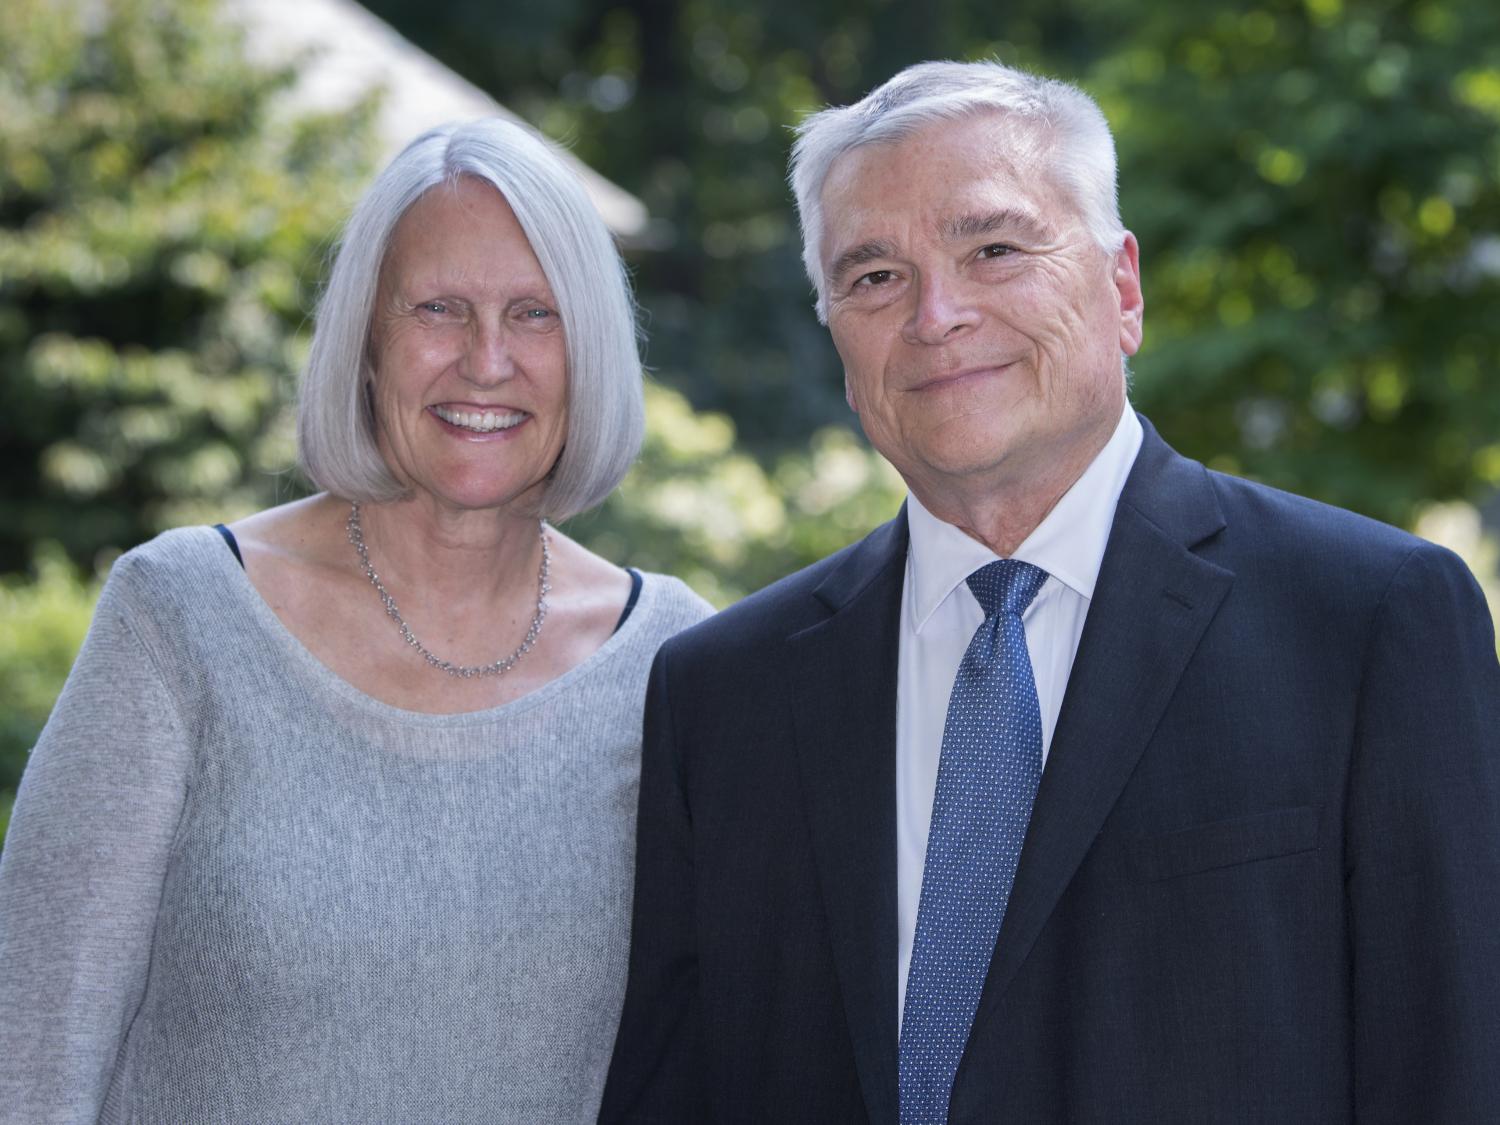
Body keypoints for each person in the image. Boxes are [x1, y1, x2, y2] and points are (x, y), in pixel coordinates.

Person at [600, 60, 1500, 1124]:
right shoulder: (723, 694)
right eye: (875, 276)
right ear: (837, 335)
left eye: (993, 248)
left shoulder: (1369, 621)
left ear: (1121, 287)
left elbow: (1456, 1071)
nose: (937, 315)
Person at [0, 117, 711, 1123]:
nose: (486, 361)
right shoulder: (183, 618)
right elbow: (29, 1057)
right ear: (368, 342)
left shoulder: (676, 663)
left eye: (535, 315)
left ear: (591, 351)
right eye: (438, 309)